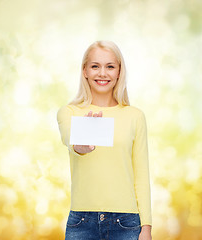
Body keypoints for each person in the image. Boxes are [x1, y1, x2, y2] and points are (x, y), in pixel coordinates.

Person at [57, 40, 152, 240]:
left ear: (119, 71)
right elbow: (70, 141)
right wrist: (81, 145)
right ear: (85, 71)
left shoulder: (135, 116)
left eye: (110, 66)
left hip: (127, 223)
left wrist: (146, 228)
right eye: (95, 66)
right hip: (82, 223)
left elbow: (141, 175)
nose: (102, 73)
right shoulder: (69, 113)